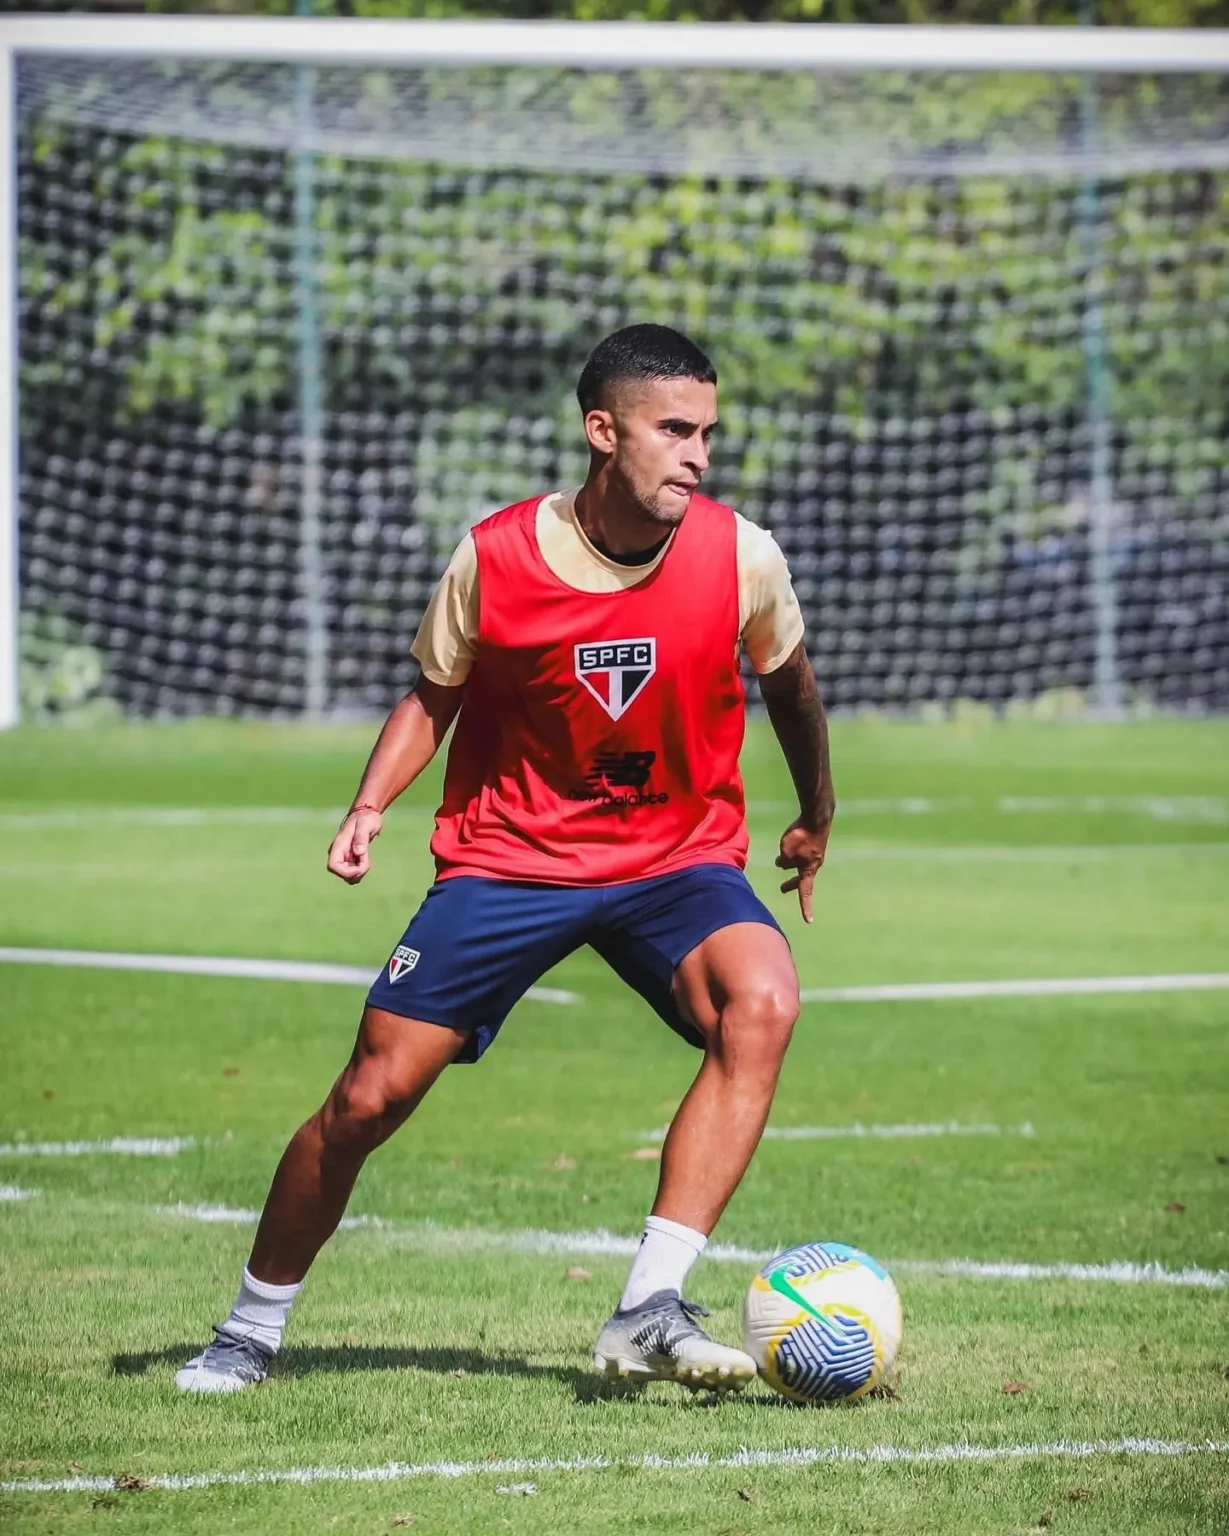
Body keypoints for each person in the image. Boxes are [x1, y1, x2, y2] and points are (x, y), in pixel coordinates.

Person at [177, 323, 835, 1395]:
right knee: (366, 1101)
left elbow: (790, 686)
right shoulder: (493, 555)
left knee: (760, 1002)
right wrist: (368, 803)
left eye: (707, 434)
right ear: (600, 431)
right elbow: (432, 695)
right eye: (673, 431)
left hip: (674, 860)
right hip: (508, 861)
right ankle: (250, 1326)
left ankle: (647, 1307)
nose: (697, 455)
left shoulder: (741, 554)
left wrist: (815, 811)